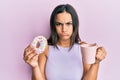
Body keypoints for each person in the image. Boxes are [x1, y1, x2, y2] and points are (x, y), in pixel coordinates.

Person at [23, 4, 106, 80]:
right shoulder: (45, 49)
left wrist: (96, 63)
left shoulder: (83, 47)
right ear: (53, 26)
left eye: (68, 24)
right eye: (59, 24)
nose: (64, 29)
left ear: (74, 25)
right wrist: (35, 67)